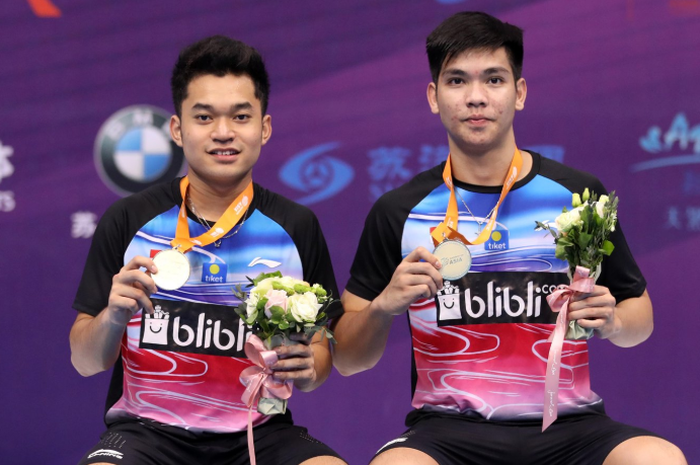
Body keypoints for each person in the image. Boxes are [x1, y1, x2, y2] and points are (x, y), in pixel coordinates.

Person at [332, 11, 687, 465]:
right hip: (446, 432)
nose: (476, 98)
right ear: (433, 97)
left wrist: (614, 320)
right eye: (457, 81)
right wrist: (384, 306)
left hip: (571, 428)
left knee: (658, 459)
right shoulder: (399, 211)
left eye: (494, 80)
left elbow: (642, 318)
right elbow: (345, 359)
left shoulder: (577, 197)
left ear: (519, 93)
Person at [70, 35, 346, 465]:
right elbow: (84, 360)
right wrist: (113, 318)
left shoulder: (295, 226)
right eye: (204, 117)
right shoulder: (129, 220)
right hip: (147, 434)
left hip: (261, 434)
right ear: (178, 130)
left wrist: (311, 369)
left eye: (240, 116)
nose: (223, 133)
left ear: (264, 127)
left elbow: (322, 351)